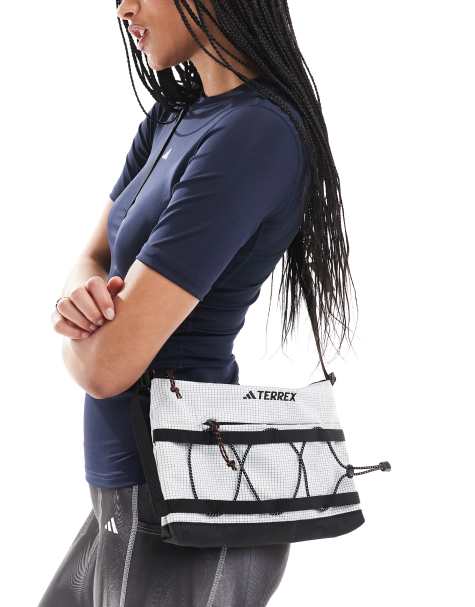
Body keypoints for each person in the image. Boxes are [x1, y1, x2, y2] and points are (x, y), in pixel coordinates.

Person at [40, 1, 357, 605]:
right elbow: (93, 255)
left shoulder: (254, 135)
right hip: (132, 482)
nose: (123, 8)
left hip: (181, 492)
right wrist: (74, 299)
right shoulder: (172, 116)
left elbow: (108, 369)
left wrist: (71, 334)